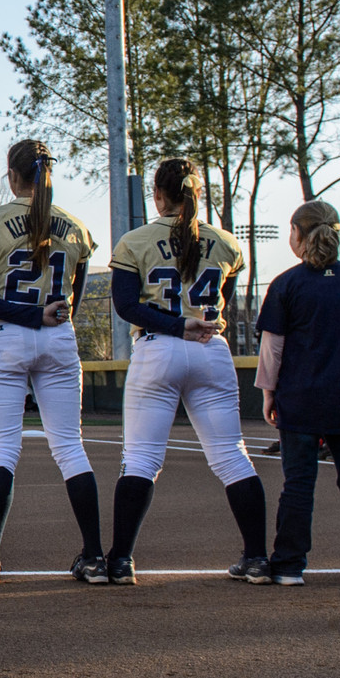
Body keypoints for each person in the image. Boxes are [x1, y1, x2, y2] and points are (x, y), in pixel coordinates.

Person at [104, 158, 266, 586]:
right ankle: (257, 557)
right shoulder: (227, 242)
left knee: (140, 459)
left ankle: (120, 560)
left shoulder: (136, 240)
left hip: (160, 349)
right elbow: (223, 302)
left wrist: (176, 324)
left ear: (158, 195)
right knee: (233, 456)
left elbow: (126, 306)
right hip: (211, 349)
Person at [0, 138, 100, 585]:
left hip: (6, 338)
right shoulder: (76, 227)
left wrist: (25, 313)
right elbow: (71, 299)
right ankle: (95, 556)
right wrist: (43, 313)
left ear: (12, 175)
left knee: (2, 447)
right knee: (70, 447)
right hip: (58, 338)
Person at [255, 202, 340, 585]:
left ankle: (290, 565)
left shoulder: (287, 283)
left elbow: (272, 348)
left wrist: (267, 393)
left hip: (301, 396)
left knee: (298, 483)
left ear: (297, 233)